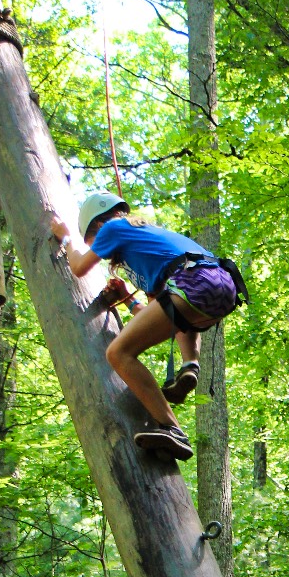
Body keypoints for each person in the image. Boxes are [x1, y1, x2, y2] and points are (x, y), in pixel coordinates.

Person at [49, 191, 247, 461]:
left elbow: (80, 266)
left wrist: (67, 237)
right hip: (220, 286)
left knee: (117, 353)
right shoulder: (148, 249)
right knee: (178, 314)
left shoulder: (112, 227)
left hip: (194, 282)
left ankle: (173, 429)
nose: (102, 253)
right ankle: (190, 366)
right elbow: (159, 318)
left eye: (95, 243)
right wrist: (127, 301)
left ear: (97, 224)